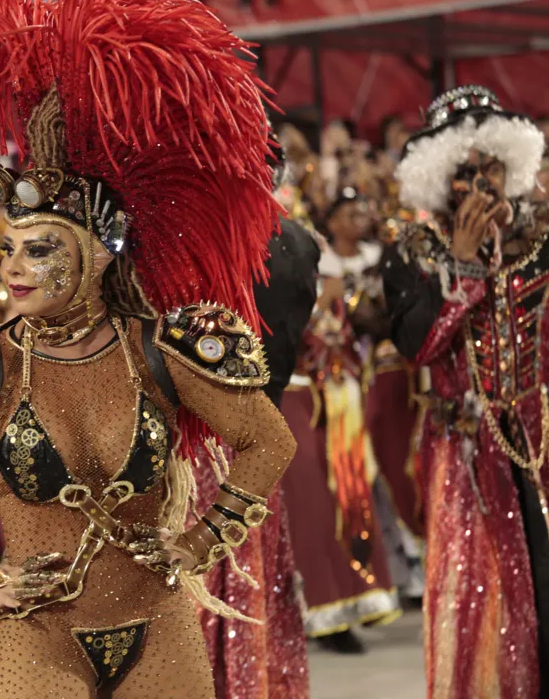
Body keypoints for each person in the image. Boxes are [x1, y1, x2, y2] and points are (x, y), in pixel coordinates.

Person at [0, 0, 296, 696]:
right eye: (9, 249)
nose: (14, 267)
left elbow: (269, 441)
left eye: (39, 249)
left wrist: (198, 543)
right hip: (36, 636)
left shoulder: (161, 346)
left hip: (160, 628)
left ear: (95, 256)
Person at [383, 85, 549, 697]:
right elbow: (418, 347)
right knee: (488, 605)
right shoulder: (416, 253)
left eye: (491, 167)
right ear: (440, 180)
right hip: (468, 455)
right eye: (465, 172)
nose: (480, 183)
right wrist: (464, 266)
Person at [196, 143, 316, 698]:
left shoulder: (202, 245)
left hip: (205, 443)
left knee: (217, 579)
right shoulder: (294, 243)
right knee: (248, 579)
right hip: (253, 435)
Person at [279, 188, 401, 654]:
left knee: (348, 500)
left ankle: (353, 602)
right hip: (293, 397)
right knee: (309, 504)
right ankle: (321, 611)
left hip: (335, 400)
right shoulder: (286, 293)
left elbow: (348, 337)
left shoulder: (335, 296)